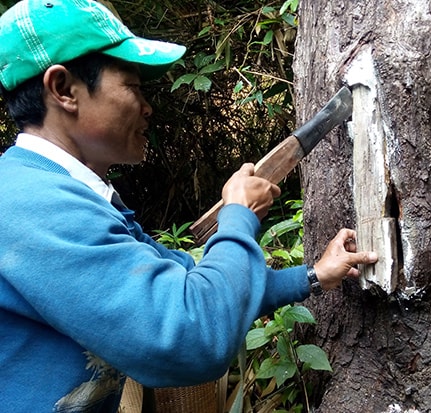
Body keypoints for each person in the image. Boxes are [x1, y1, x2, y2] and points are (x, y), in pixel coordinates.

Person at [0, 1, 378, 412]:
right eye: (133, 86)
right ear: (63, 90)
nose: (147, 107)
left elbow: (192, 283)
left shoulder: (73, 194)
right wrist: (238, 218)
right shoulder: (33, 207)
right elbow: (192, 335)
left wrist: (312, 276)